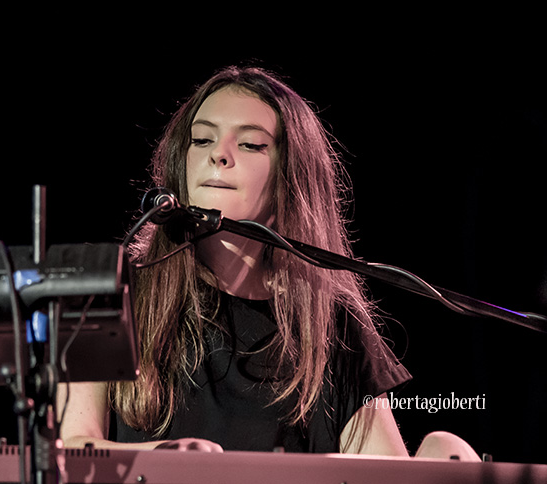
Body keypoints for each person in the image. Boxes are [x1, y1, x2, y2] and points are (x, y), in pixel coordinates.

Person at [57, 65, 479, 459]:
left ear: (290, 179)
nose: (218, 155)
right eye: (201, 139)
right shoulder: (108, 292)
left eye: (250, 143)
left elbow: (381, 470)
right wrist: (174, 461)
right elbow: (73, 447)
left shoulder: (332, 323)